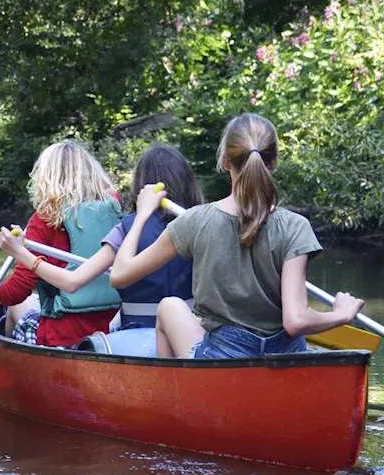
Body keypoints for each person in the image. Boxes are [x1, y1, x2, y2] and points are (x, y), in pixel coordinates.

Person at [111, 113, 364, 358]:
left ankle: (171, 396)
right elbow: (295, 322)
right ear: (274, 160)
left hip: (222, 357)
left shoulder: (195, 220)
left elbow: (120, 276)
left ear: (224, 161)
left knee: (169, 306)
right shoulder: (295, 226)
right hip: (284, 355)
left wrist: (142, 214)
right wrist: (340, 314)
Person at [0, 143, 203, 356]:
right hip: (188, 335)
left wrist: (20, 253)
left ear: (141, 186)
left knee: (19, 311)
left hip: (134, 337)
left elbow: (72, 282)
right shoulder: (204, 226)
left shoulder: (125, 229)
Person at [0, 140, 121, 347]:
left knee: (15, 306)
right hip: (111, 332)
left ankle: (5, 361)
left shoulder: (44, 219)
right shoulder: (115, 210)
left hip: (61, 336)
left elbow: (18, 290)